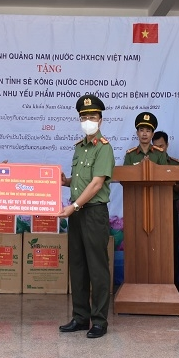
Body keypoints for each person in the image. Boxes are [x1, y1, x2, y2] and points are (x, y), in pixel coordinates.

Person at [57, 94, 115, 338]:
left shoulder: (104, 147)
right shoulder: (79, 147)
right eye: (83, 117)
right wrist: (64, 182)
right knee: (78, 266)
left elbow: (96, 183)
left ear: (100, 119)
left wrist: (73, 207)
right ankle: (80, 317)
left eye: (92, 116)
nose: (87, 120)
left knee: (97, 268)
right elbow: (81, 181)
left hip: (92, 213)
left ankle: (99, 320)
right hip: (78, 213)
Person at [152, 130, 179, 293]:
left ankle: (174, 285)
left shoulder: (174, 164)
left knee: (170, 247)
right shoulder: (149, 164)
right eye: (156, 146)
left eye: (162, 146)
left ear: (167, 145)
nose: (159, 149)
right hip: (151, 207)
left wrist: (168, 182)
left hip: (169, 208)